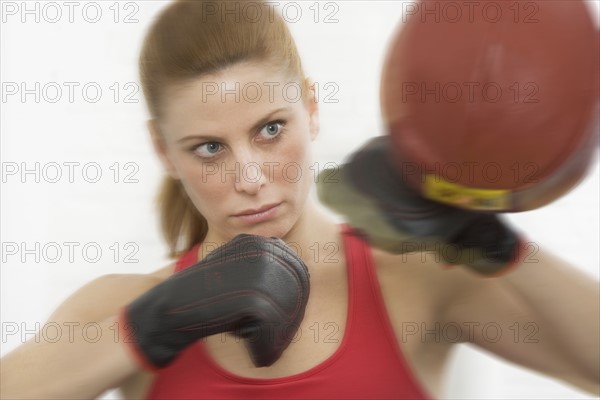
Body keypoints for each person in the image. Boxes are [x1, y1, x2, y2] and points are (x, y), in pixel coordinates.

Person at [1, 1, 598, 399]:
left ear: (310, 109)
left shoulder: (416, 285)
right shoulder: (123, 306)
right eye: (209, 147)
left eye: (270, 129)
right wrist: (154, 325)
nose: (252, 176)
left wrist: (497, 247)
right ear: (164, 151)